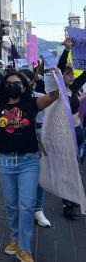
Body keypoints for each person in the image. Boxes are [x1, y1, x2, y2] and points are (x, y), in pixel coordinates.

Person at [0, 71, 59, 262]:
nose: (12, 86)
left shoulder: (32, 103)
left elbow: (54, 96)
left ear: (24, 86)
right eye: (9, 83)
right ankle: (15, 238)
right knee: (12, 205)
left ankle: (24, 248)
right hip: (6, 161)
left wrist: (54, 75)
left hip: (28, 161)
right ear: (4, 86)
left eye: (17, 83)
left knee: (27, 206)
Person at [56, 38, 86, 219]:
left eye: (72, 74)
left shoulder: (74, 89)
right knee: (67, 169)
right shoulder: (59, 91)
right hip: (65, 135)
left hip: (79, 133)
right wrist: (67, 50)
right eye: (68, 74)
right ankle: (67, 204)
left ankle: (73, 199)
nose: (71, 76)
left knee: (76, 169)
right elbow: (60, 68)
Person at [19, 69, 52, 228]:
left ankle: (38, 209)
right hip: (18, 136)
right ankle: (22, 209)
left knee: (40, 172)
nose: (21, 84)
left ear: (32, 81)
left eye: (24, 80)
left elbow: (55, 97)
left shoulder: (40, 97)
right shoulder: (12, 99)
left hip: (39, 134)